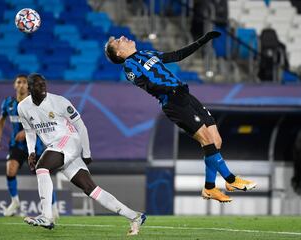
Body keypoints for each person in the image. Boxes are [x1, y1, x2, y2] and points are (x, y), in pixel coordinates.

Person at [104, 32, 257, 203]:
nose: (123, 37)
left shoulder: (147, 54)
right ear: (119, 53)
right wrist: (168, 88)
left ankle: (209, 188)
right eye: (118, 41)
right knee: (207, 141)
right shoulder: (129, 66)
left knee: (216, 140)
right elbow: (148, 85)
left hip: (185, 95)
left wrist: (203, 39)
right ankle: (231, 180)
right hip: (173, 102)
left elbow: (177, 55)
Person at [18, 73, 146, 235]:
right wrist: (30, 153)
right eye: (38, 85)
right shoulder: (22, 107)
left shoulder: (59, 101)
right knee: (91, 189)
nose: (43, 87)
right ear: (29, 88)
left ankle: (46, 216)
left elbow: (81, 125)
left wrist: (86, 151)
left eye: (44, 83)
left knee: (42, 168)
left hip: (68, 140)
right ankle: (135, 216)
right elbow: (29, 132)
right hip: (56, 148)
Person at [0, 74, 58, 217]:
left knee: (42, 175)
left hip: (36, 145)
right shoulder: (8, 103)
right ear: (14, 85)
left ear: (28, 86)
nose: (21, 84)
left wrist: (27, 130)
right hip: (16, 145)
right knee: (10, 170)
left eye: (24, 82)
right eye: (18, 82)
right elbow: (1, 119)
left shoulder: (36, 102)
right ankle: (14, 202)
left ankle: (53, 207)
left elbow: (45, 121)